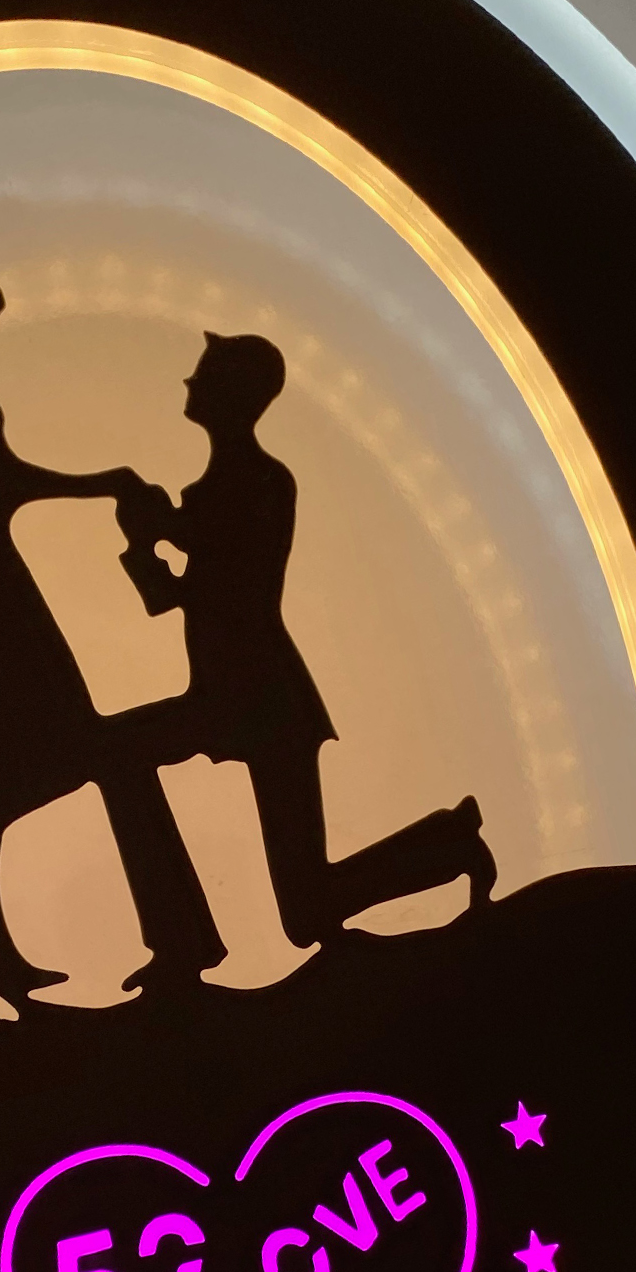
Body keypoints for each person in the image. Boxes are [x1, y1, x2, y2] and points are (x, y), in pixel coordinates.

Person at [0, 255, 225, 1056]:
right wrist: (105, 482)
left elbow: (1, 488)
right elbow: (2, 488)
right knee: (15, 783)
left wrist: (101, 484)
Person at [111, 331, 497, 950]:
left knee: (306, 913)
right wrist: (143, 542)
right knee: (304, 903)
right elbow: (171, 598)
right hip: (225, 696)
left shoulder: (262, 482)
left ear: (232, 395)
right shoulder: (211, 493)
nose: (189, 382)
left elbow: (239, 585)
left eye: (203, 374)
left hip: (263, 699)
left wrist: (166, 530)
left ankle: (450, 845)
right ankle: (447, 842)